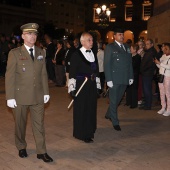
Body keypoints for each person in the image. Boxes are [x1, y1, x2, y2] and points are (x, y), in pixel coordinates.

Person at [5, 23, 53, 162]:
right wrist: (10, 97)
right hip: (20, 96)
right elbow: (10, 76)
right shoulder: (14, 53)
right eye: (29, 34)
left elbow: (43, 74)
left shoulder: (40, 52)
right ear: (23, 36)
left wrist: (46, 92)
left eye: (35, 34)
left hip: (37, 95)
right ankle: (21, 146)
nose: (33, 36)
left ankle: (41, 151)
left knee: (39, 125)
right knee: (20, 124)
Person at [68, 32, 101, 143]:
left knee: (91, 107)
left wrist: (98, 86)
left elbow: (96, 71)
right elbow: (72, 73)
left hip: (91, 85)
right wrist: (72, 89)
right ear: (82, 42)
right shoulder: (76, 55)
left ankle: (90, 129)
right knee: (82, 109)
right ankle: (82, 133)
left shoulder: (93, 53)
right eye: (89, 40)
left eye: (92, 40)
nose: (92, 42)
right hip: (81, 86)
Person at [104, 28, 133, 131]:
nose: (122, 36)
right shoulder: (110, 47)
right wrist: (109, 79)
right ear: (115, 36)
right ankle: (115, 121)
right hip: (114, 78)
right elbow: (107, 64)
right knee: (113, 100)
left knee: (118, 99)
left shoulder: (126, 46)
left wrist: (131, 76)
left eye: (122, 34)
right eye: (120, 34)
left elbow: (129, 62)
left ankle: (108, 114)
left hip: (124, 77)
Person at [140, 39, 157, 110]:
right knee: (146, 89)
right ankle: (146, 103)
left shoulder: (151, 52)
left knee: (147, 89)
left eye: (148, 44)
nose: (146, 45)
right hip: (146, 73)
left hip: (147, 73)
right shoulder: (148, 51)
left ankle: (148, 105)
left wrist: (142, 70)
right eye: (146, 44)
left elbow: (149, 64)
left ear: (152, 44)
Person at [154, 43, 170, 116]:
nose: (162, 49)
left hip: (167, 77)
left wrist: (160, 63)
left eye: (164, 47)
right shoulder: (163, 56)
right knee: (162, 93)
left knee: (168, 94)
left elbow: (169, 67)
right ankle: (163, 107)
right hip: (161, 76)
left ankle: (168, 109)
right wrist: (156, 63)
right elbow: (160, 66)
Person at [126, 44, 141, 108]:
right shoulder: (130, 56)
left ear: (135, 50)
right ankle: (128, 102)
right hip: (129, 74)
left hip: (134, 74)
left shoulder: (138, 57)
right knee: (128, 89)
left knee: (134, 89)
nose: (130, 50)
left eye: (131, 48)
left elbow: (134, 65)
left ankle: (134, 104)